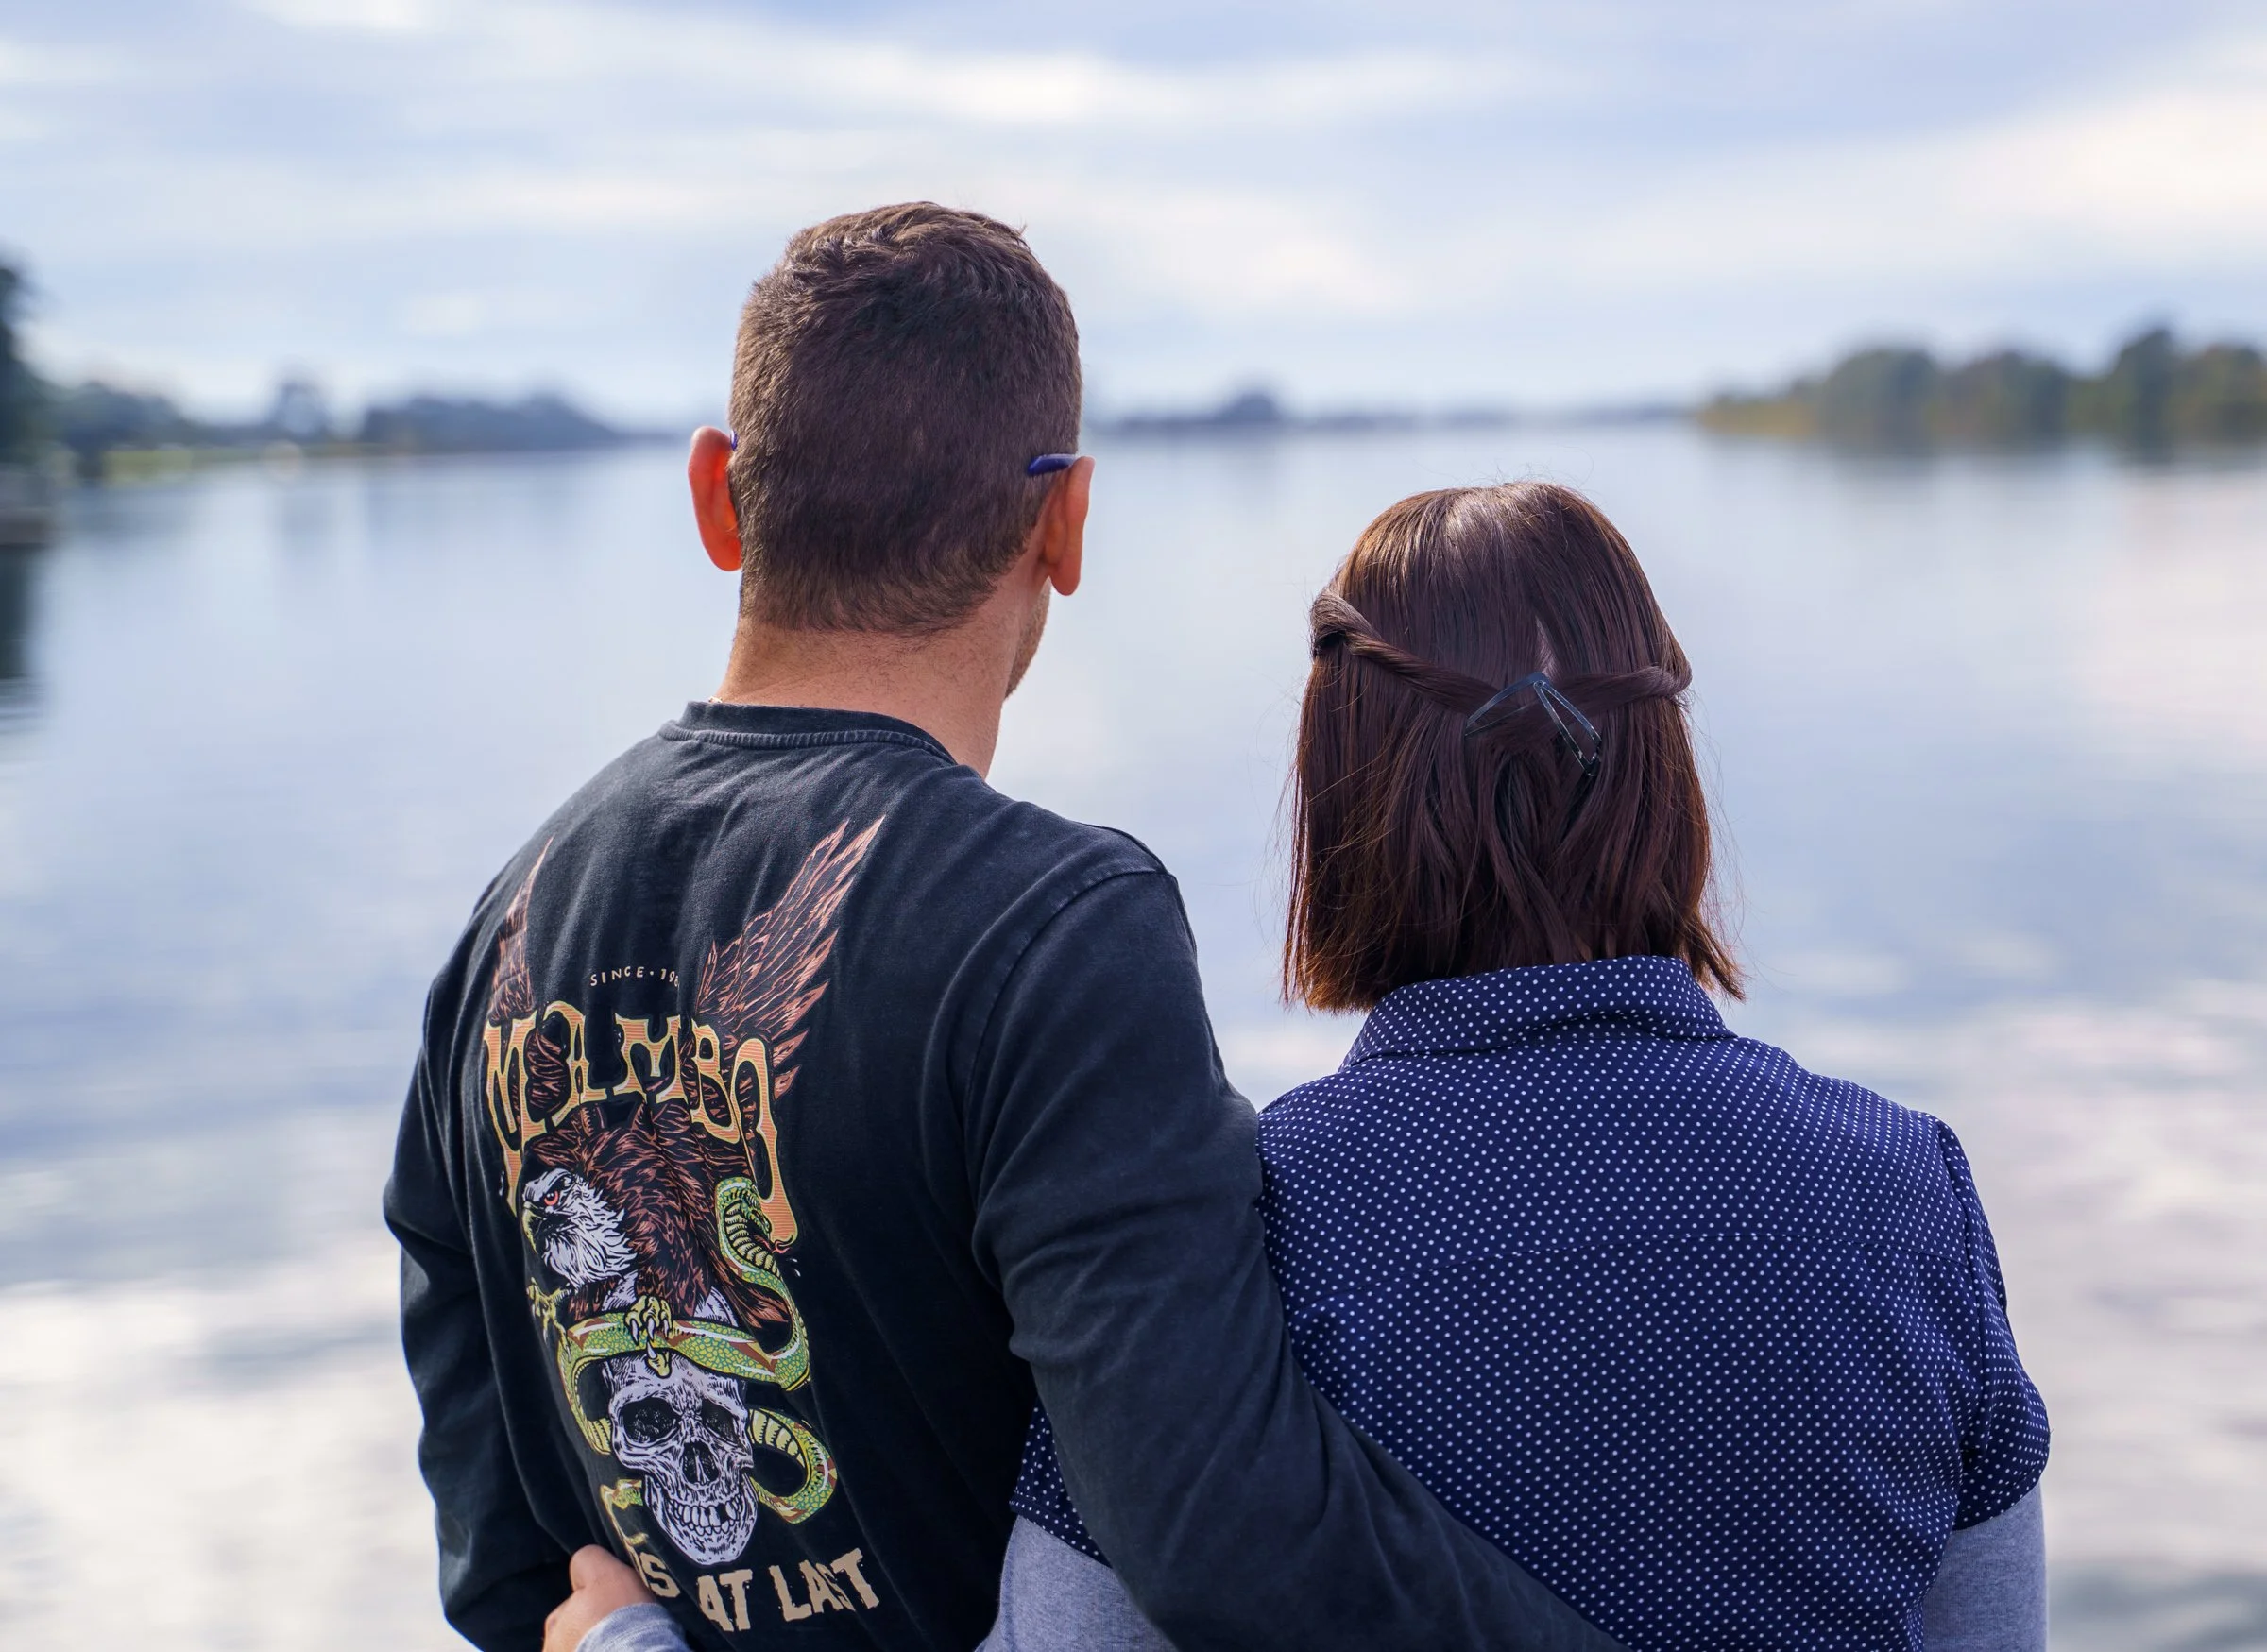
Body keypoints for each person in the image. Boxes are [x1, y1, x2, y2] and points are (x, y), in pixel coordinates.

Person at [384, 204, 1618, 1652]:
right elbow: (1228, 1533)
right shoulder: (1054, 934)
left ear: (720, 498)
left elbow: (500, 1571)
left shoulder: (504, 928)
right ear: (1065, 521)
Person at [978, 482, 2053, 1649]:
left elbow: (1072, 1636)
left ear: (1342, 794)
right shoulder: (1905, 1189)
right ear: (1664, 772)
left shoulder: (1233, 1231)